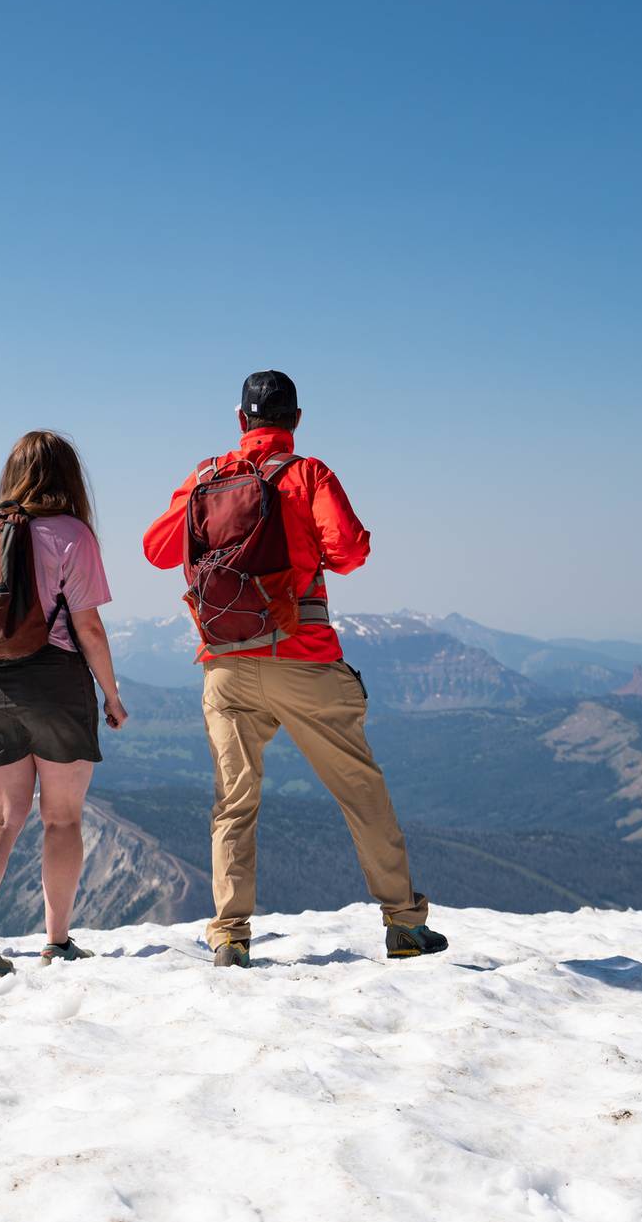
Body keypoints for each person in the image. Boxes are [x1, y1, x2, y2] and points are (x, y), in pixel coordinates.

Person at [141, 371, 448, 968]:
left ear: (240, 420)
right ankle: (404, 924)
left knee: (234, 801)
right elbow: (351, 551)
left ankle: (230, 933)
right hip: (303, 655)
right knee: (361, 790)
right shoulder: (308, 474)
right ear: (296, 421)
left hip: (225, 662)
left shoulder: (207, 477)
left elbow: (156, 549)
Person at [0, 431, 128, 981]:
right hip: (55, 681)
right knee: (62, 818)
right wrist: (112, 696)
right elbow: (89, 626)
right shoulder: (71, 533)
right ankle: (57, 941)